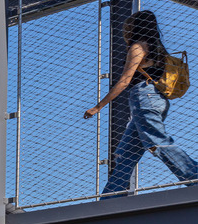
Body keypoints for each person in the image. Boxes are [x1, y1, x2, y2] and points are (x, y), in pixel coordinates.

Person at [85, 10, 198, 197]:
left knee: (156, 142)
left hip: (145, 98)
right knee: (126, 153)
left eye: (128, 26)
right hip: (157, 99)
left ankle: (194, 176)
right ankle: (111, 197)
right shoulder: (157, 48)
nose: (125, 30)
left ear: (136, 27)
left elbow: (124, 81)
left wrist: (98, 106)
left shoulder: (138, 47)